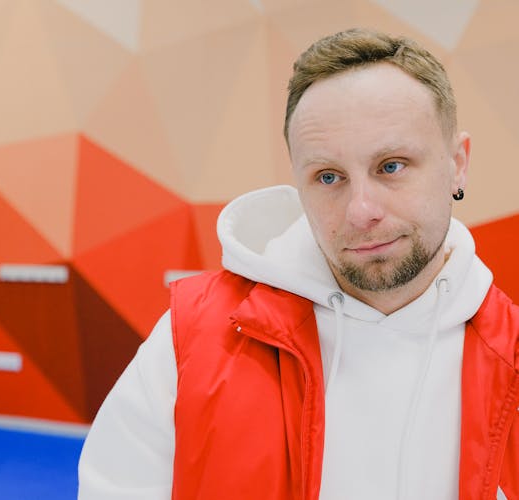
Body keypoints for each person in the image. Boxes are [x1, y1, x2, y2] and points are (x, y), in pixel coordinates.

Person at [77, 28, 519, 500]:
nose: (361, 210)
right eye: (328, 176)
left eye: (391, 165)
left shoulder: (509, 354)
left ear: (457, 163)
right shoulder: (193, 338)